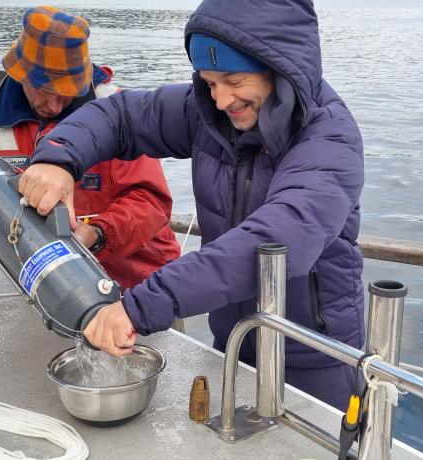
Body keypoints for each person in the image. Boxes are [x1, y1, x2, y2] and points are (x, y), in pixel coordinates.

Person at [19, 0, 364, 410]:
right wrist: (58, 158)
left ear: (282, 67)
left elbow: (277, 240)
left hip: (314, 357)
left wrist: (139, 308)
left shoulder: (330, 141)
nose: (220, 101)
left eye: (233, 80)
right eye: (209, 82)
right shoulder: (209, 113)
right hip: (233, 341)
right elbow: (122, 116)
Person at [0, 6, 180, 289]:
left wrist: (96, 236)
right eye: (44, 91)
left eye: (67, 94)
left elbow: (150, 203)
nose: (55, 106)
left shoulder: (119, 114)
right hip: (46, 284)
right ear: (19, 74)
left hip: (137, 280)